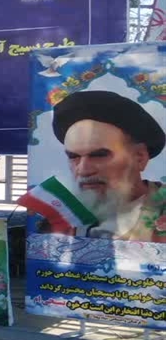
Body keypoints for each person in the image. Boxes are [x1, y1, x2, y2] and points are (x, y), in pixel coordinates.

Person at [43, 90, 165, 241]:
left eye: (99, 155)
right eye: (74, 157)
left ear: (139, 157)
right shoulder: (62, 216)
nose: (83, 170)